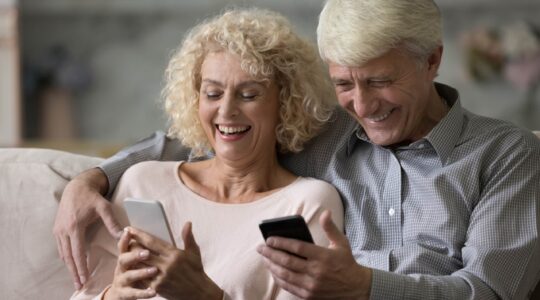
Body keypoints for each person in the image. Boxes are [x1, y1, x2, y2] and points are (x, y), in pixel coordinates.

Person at [55, 0, 540, 299]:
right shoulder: (325, 129)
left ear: (432, 60)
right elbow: (218, 129)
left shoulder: (505, 156)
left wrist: (367, 289)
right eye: (345, 84)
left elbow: (492, 293)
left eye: (380, 81)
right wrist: (93, 177)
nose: (364, 105)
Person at [68, 8, 344, 300]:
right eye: (212, 94)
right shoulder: (143, 182)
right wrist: (113, 295)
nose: (226, 111)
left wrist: (204, 295)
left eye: (249, 95)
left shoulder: (308, 203)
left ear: (286, 102)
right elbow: (82, 293)